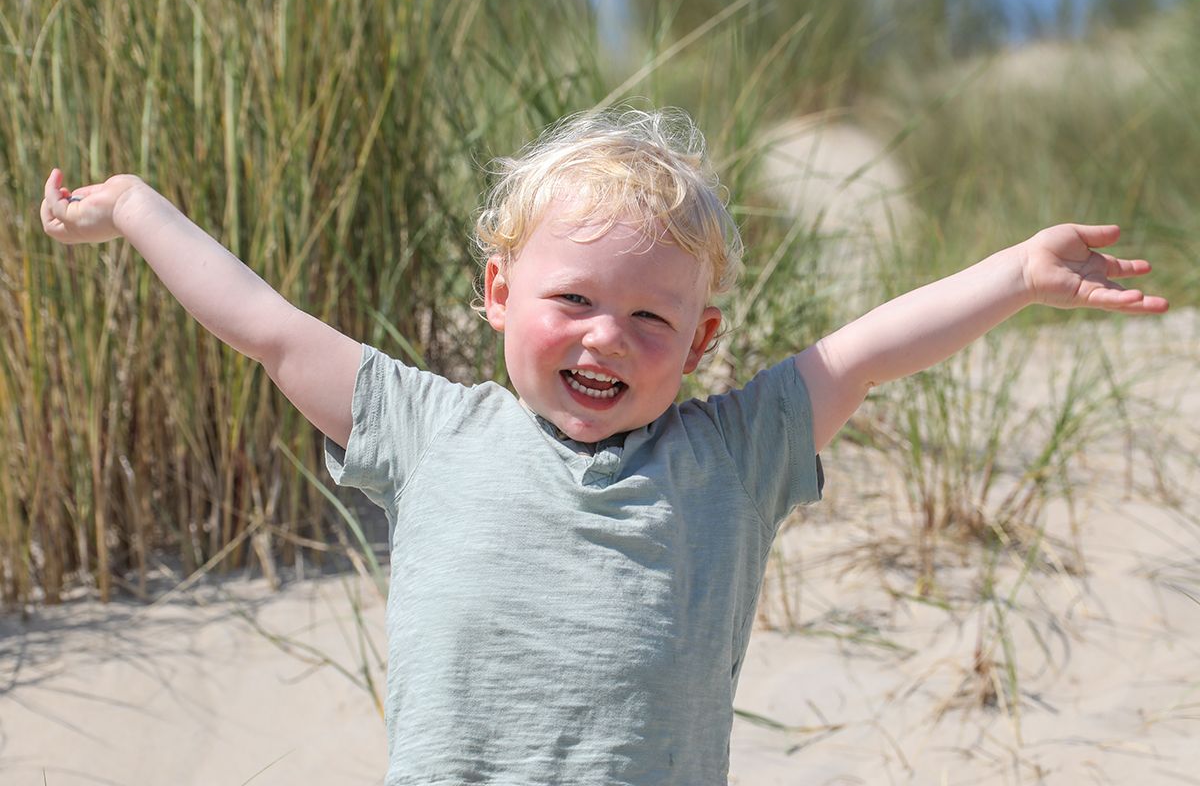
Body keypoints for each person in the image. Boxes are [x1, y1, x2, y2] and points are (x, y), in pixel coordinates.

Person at [40, 107, 1167, 785]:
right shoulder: (433, 428)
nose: (603, 336)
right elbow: (269, 328)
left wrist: (1015, 276)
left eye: (648, 319)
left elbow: (865, 351)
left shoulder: (734, 450)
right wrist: (138, 207)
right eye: (572, 297)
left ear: (698, 340)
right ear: (496, 290)